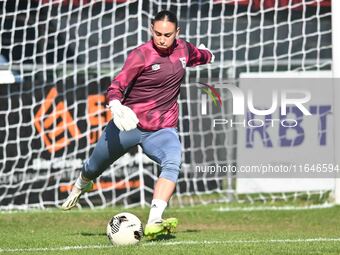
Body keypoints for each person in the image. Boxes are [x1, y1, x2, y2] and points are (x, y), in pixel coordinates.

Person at [61, 10, 214, 239]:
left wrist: (208, 54)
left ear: (177, 33)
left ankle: (154, 220)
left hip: (162, 129)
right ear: (151, 29)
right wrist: (115, 104)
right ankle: (82, 183)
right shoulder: (141, 55)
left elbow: (200, 56)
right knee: (93, 166)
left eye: (168, 34)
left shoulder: (184, 49)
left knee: (173, 162)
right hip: (128, 125)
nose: (162, 39)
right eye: (158, 33)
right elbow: (116, 86)